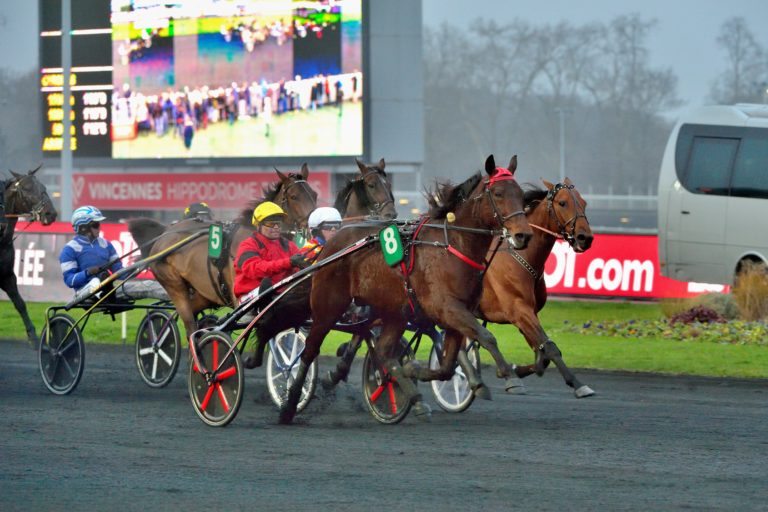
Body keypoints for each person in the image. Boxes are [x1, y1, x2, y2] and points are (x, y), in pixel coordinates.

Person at [60, 205, 169, 302]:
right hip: (86, 294)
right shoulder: (69, 249)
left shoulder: (106, 245)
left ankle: (177, 297)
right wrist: (87, 273)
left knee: (148, 285)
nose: (99, 227)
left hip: (108, 290)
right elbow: (69, 281)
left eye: (99, 224)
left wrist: (139, 265)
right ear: (83, 227)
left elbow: (121, 274)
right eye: (96, 224)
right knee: (96, 281)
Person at [233, 201, 310, 300]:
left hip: (281, 295)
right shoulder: (248, 245)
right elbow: (255, 270)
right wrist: (289, 262)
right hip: (252, 296)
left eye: (278, 223)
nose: (276, 227)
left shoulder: (289, 245)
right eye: (271, 224)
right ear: (258, 225)